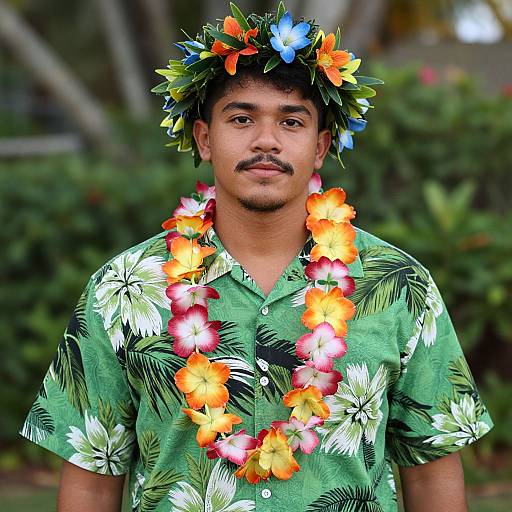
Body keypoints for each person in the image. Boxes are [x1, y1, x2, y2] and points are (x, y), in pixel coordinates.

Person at [20, 3, 493, 511]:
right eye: (241, 118)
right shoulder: (125, 287)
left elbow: (430, 475)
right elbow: (92, 481)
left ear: (319, 146)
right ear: (204, 138)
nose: (266, 140)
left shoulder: (399, 285)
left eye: (292, 122)